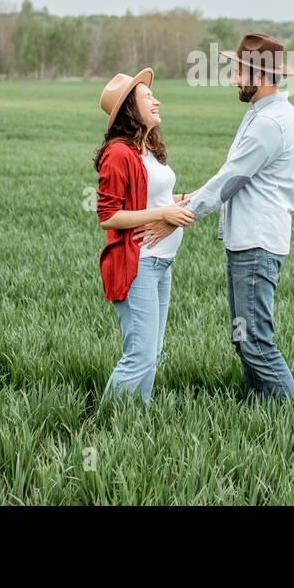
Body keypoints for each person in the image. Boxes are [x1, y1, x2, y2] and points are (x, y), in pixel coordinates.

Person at [140, 33, 294, 414]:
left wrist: (179, 217)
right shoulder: (264, 114)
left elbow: (233, 178)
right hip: (248, 241)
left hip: (256, 243)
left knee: (256, 342)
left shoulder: (272, 122)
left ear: (259, 74)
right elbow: (235, 176)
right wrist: (188, 197)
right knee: (244, 340)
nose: (233, 78)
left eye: (238, 71)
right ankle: (265, 416)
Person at [93, 69, 194, 404]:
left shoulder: (147, 148)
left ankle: (135, 422)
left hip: (162, 263)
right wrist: (163, 214)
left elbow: (151, 198)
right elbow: (108, 216)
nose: (156, 100)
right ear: (130, 110)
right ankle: (104, 424)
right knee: (140, 355)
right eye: (147, 97)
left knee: (152, 354)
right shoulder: (118, 153)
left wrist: (181, 202)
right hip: (138, 264)